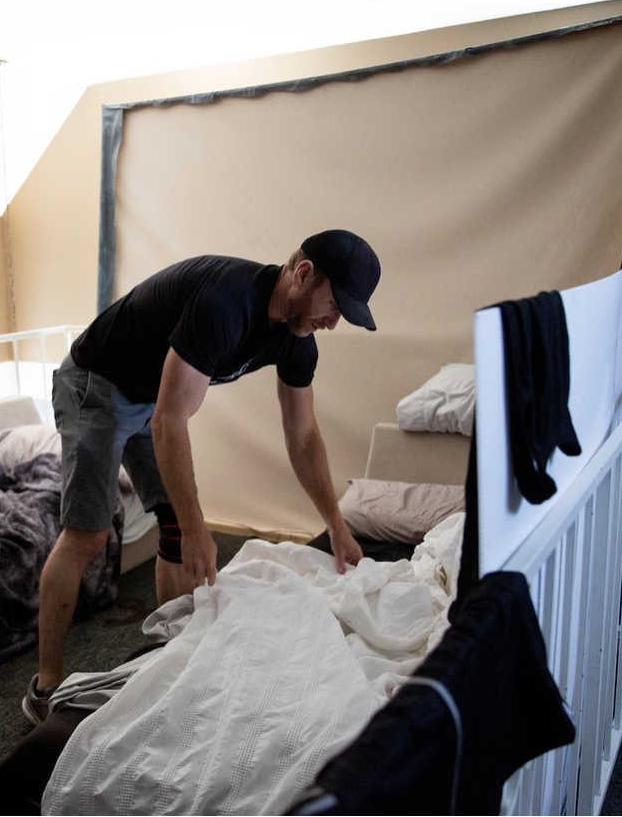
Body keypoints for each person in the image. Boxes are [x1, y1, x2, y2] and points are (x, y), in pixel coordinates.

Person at [22, 229, 381, 725]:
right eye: (335, 305)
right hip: (96, 384)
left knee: (175, 530)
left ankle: (172, 659)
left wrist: (337, 527)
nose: (334, 322)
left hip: (150, 398)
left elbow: (303, 437)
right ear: (303, 275)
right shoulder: (225, 303)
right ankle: (45, 687)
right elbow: (170, 422)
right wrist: (198, 527)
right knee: (89, 536)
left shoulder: (298, 338)